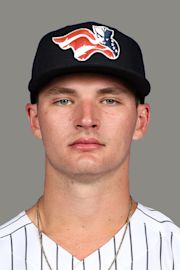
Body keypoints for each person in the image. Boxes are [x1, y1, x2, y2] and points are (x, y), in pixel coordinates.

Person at [0, 21, 179, 270]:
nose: (86, 119)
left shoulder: (174, 250)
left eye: (109, 100)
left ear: (141, 120)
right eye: (64, 100)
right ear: (35, 120)